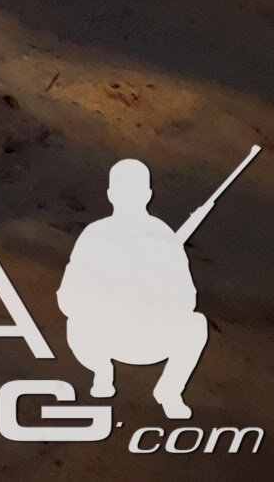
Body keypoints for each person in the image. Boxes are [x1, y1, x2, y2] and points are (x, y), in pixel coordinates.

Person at [61, 157, 214, 420]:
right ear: (111, 194)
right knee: (76, 322)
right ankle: (101, 372)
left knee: (196, 324)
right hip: (103, 336)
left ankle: (169, 391)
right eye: (124, 190)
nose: (129, 196)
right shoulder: (95, 234)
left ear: (147, 194)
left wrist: (153, 293)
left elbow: (187, 299)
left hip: (151, 336)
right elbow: (68, 295)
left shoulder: (163, 237)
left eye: (134, 190)